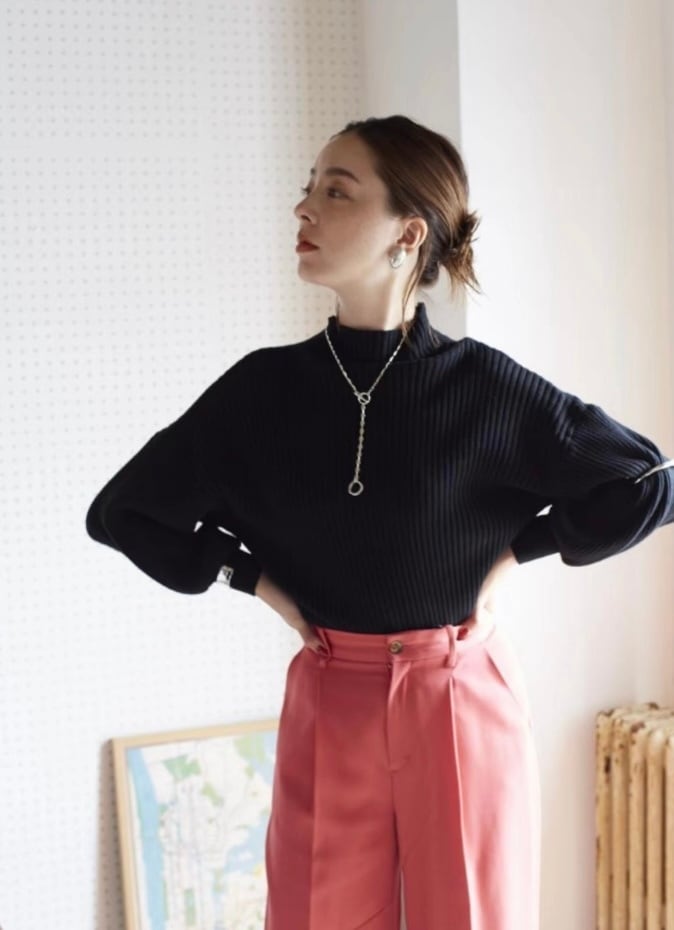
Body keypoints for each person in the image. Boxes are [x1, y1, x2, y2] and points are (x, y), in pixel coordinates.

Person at [85, 115, 674, 930]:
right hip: (333, 693)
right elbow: (123, 511)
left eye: (337, 191)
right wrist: (253, 580)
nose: (304, 209)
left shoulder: (484, 388)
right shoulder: (261, 393)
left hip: (459, 695)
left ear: (408, 231)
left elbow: (646, 479)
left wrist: (514, 556)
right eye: (309, 189)